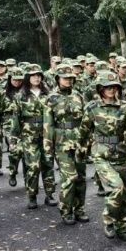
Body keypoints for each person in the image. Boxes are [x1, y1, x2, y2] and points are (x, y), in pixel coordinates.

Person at [80, 73, 126, 241]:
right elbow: (84, 130)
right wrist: (80, 149)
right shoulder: (92, 107)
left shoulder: (125, 107)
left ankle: (122, 226)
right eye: (108, 86)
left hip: (121, 154)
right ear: (100, 89)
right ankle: (109, 220)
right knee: (116, 187)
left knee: (123, 193)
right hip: (101, 154)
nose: (111, 89)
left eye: (114, 86)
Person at [44, 63, 88, 225]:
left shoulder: (79, 96)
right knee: (69, 178)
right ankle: (66, 210)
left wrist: (88, 140)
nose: (68, 80)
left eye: (71, 78)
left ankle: (79, 209)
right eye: (65, 78)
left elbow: (85, 120)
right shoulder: (51, 98)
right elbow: (47, 125)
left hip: (79, 141)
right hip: (61, 142)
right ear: (57, 79)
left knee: (81, 177)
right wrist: (48, 147)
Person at [10, 64, 57, 209]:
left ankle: (49, 194)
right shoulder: (21, 96)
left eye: (38, 75)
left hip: (46, 135)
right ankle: (32, 196)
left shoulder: (48, 94)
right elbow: (16, 119)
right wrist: (14, 139)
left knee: (48, 164)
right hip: (28, 136)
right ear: (27, 78)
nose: (36, 78)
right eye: (33, 75)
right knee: (33, 166)